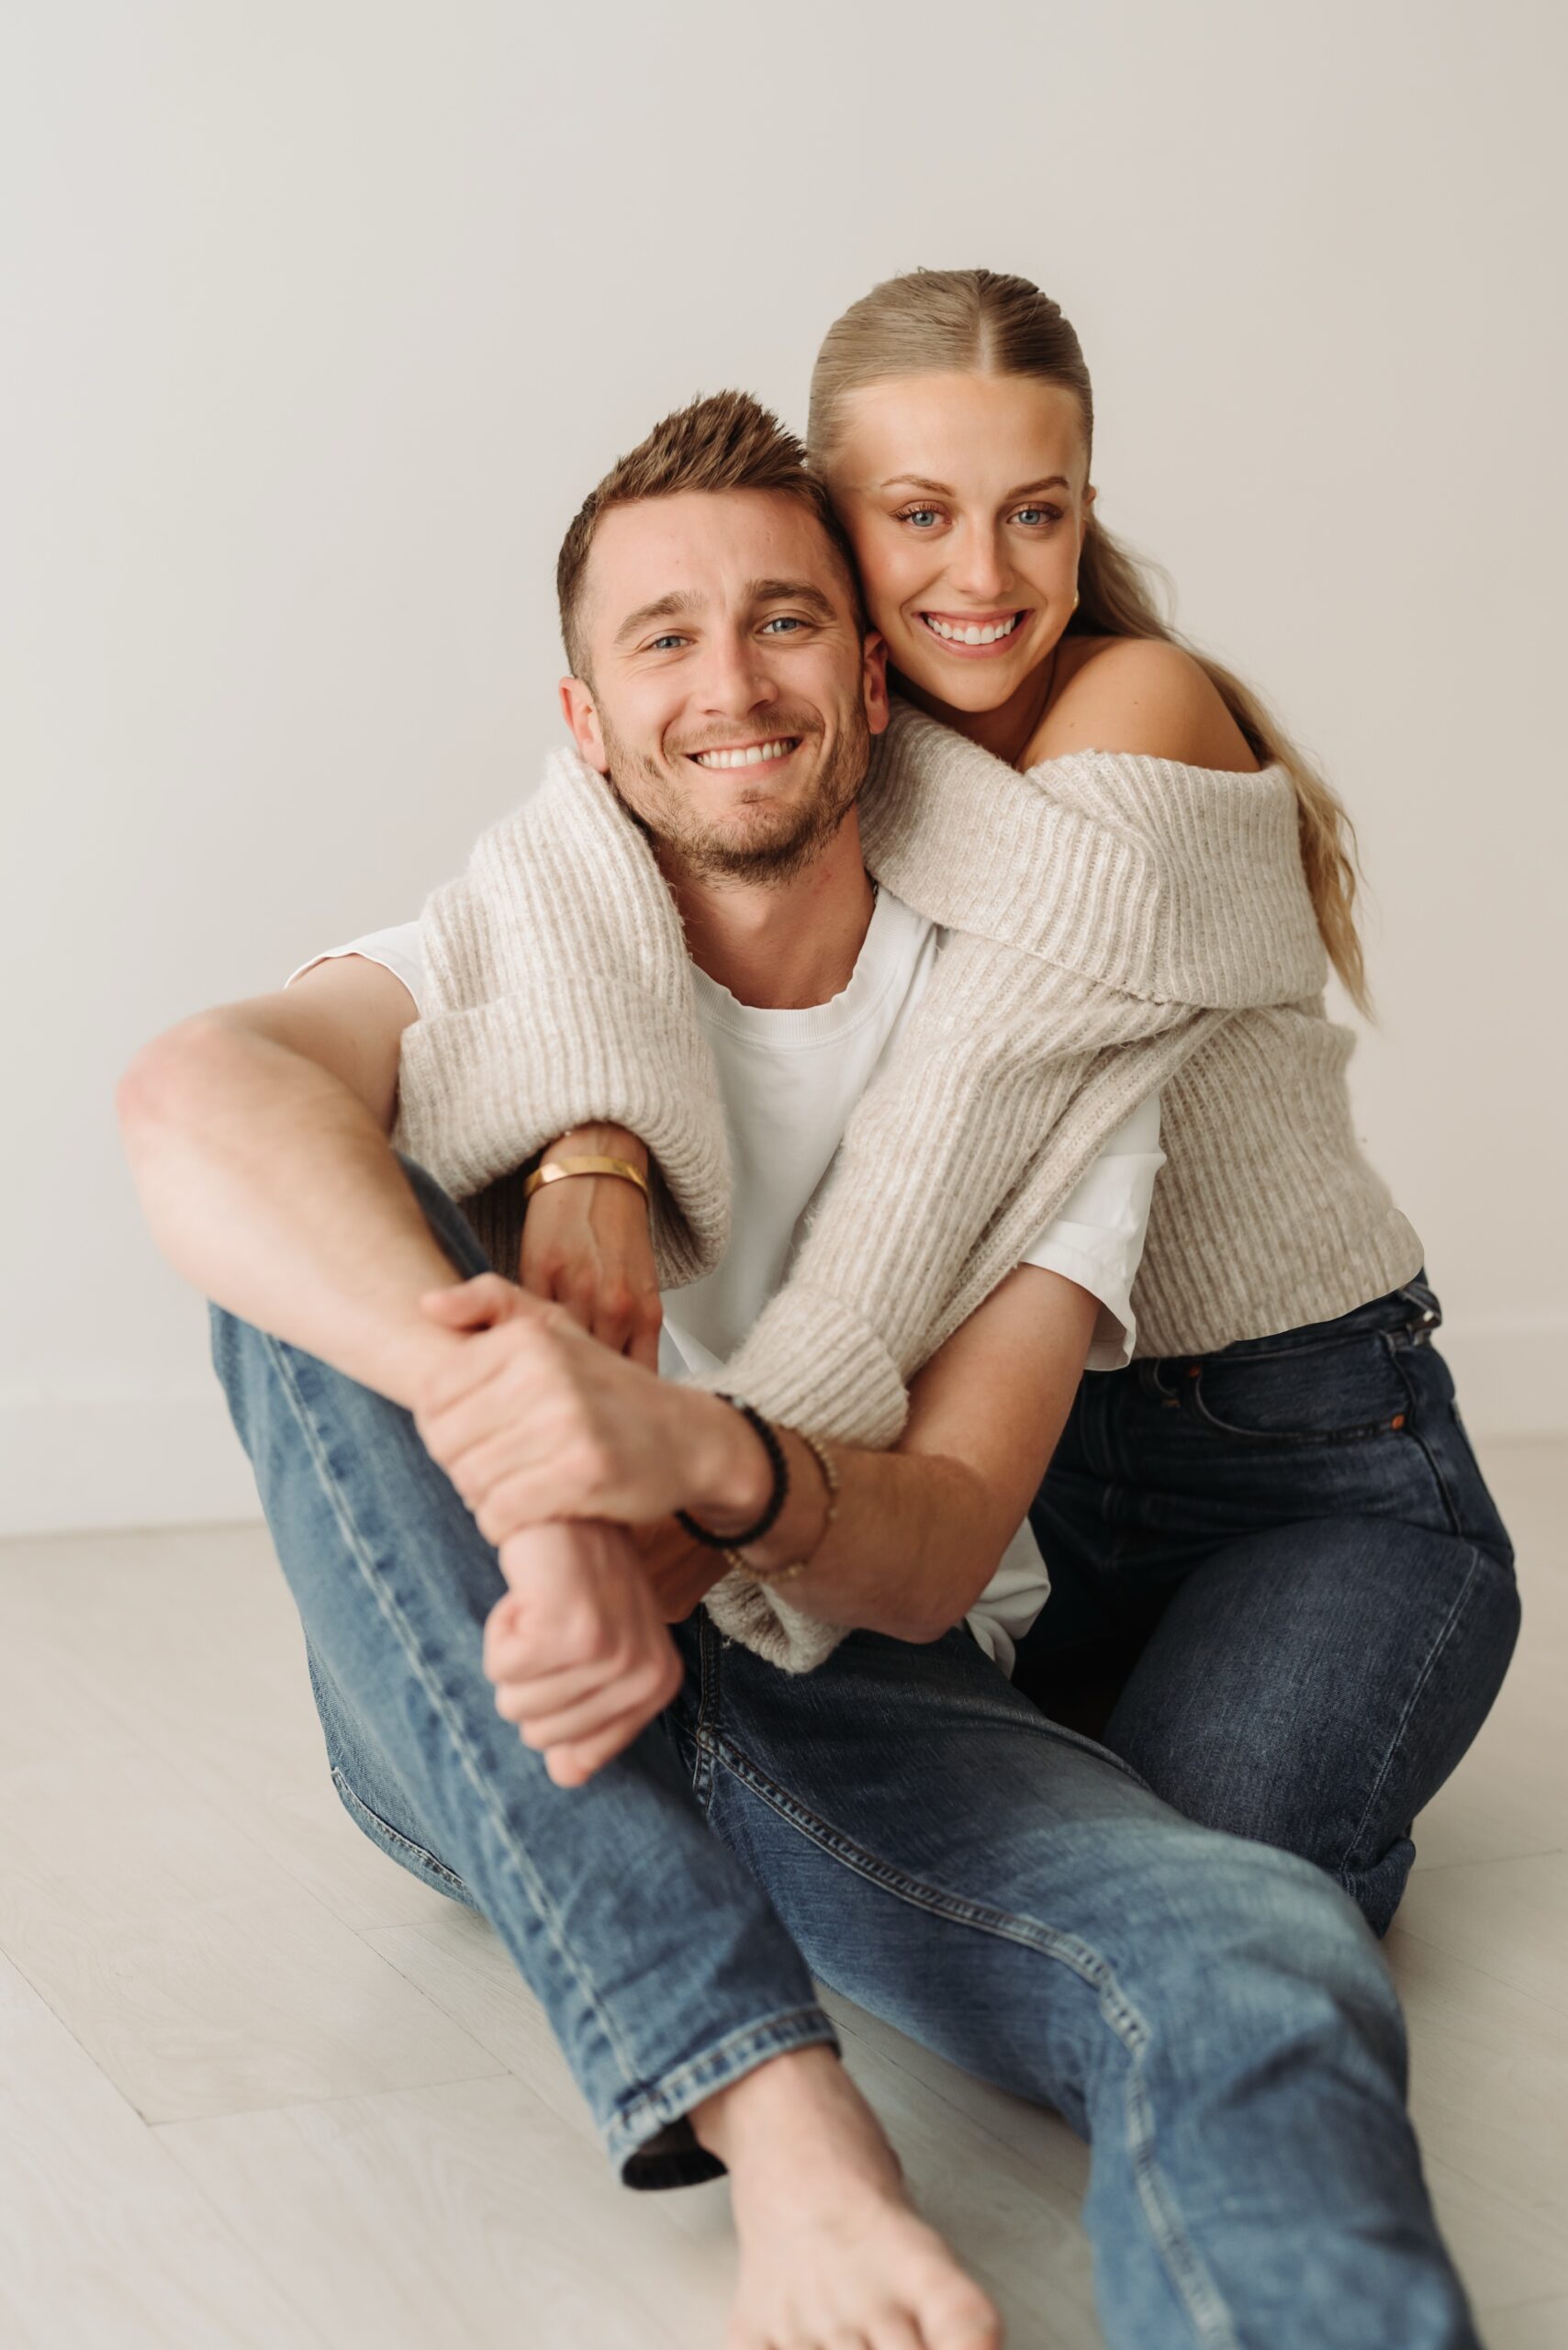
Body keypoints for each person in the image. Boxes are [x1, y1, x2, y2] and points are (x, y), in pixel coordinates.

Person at [118, 391, 1484, 2349]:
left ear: (867, 675)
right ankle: (783, 2118)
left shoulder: (1042, 1021)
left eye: (778, 619)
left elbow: (929, 1549)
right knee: (314, 1207)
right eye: (658, 636)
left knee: (1261, 1939)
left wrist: (684, 1453)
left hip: (846, 1663)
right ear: (583, 721)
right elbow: (189, 1093)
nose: (727, 680)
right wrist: (542, 1473)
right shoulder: (502, 954)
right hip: (498, 1682)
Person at [514, 267, 1518, 1935]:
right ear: (825, 534)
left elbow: (952, 1139)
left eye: (1033, 515)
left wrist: (727, 1486)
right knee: (947, 1857)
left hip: (1316, 1468)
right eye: (916, 518)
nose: (981, 580)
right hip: (1040, 1474)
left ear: (1086, 516)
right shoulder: (821, 729)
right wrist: (592, 1138)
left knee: (1187, 1899)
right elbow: (571, 856)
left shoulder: (1141, 716)